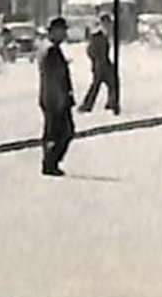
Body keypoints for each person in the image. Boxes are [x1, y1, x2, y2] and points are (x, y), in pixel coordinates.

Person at [38, 16, 75, 177]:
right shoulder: (51, 51)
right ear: (54, 31)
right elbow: (53, 78)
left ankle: (50, 162)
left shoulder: (50, 49)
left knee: (56, 132)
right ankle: (50, 163)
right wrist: (61, 99)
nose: (65, 34)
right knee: (61, 132)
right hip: (55, 99)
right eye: (62, 31)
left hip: (53, 97)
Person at [80, 14, 119, 114]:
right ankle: (87, 105)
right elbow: (90, 50)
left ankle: (110, 103)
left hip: (104, 64)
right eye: (107, 23)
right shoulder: (98, 36)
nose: (109, 26)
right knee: (97, 86)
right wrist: (96, 60)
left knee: (110, 84)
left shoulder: (104, 35)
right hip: (100, 65)